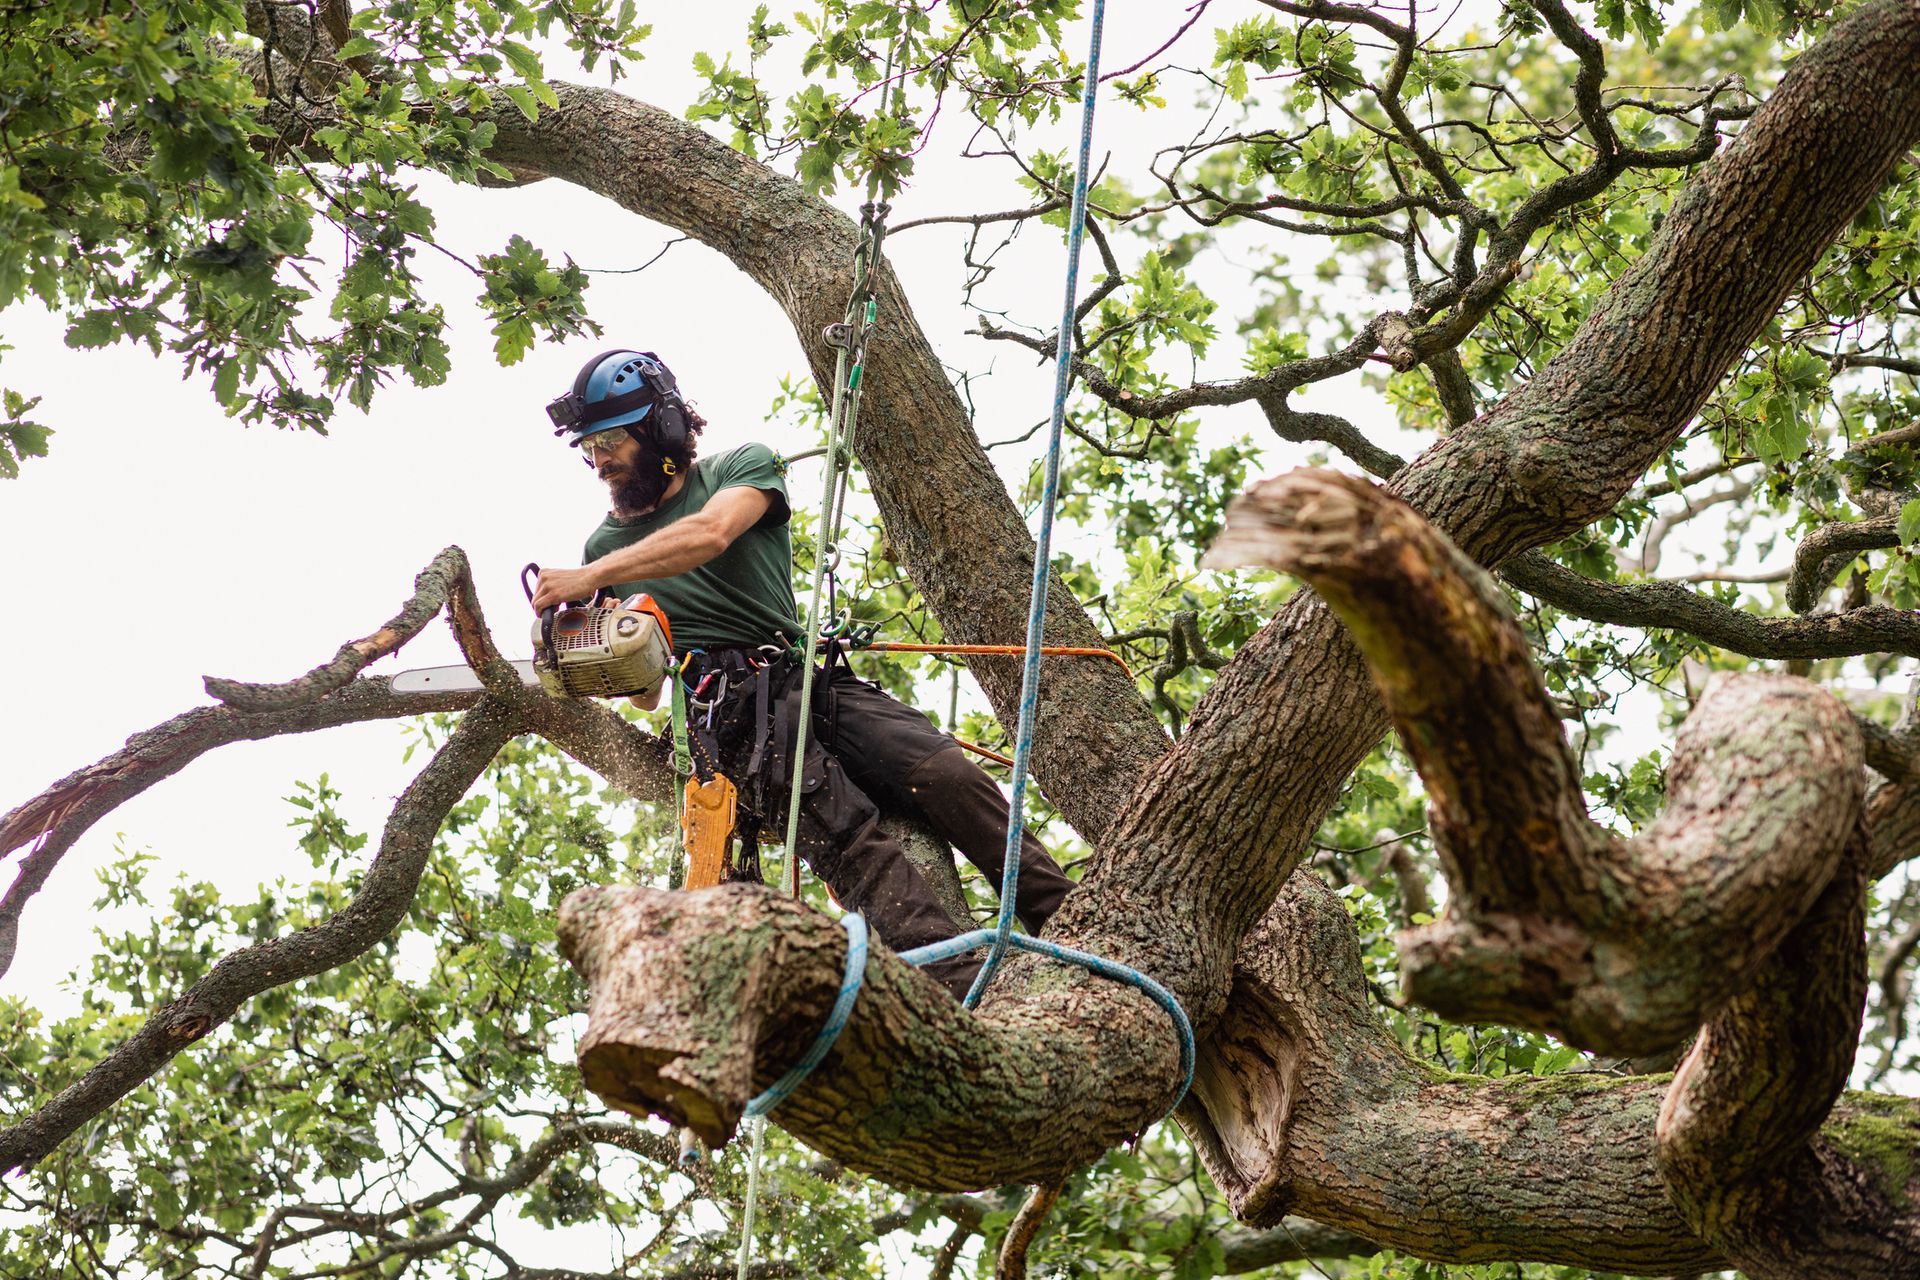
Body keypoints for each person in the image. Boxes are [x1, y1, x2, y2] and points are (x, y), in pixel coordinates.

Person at [530, 349, 1075, 998]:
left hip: (801, 678)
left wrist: (593, 578)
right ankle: (965, 990)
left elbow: (710, 535)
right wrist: (601, 650)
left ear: (664, 430)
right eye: (589, 447)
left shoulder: (741, 468)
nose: (599, 460)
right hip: (727, 713)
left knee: (945, 772)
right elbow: (649, 695)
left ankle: (1072, 924)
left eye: (612, 440)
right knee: (846, 833)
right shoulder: (605, 548)